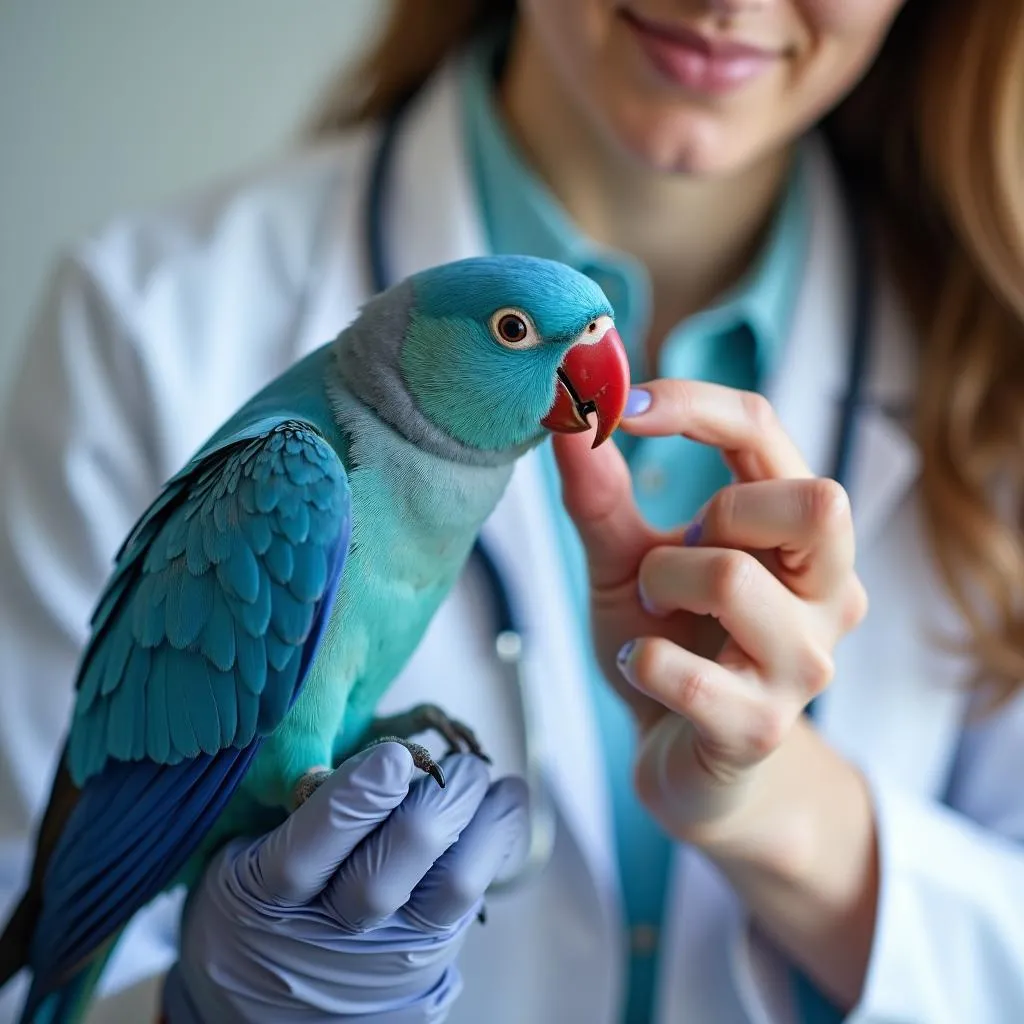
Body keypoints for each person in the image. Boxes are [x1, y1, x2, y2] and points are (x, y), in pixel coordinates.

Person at [1, 0, 1023, 1020]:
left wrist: (781, 810)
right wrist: (210, 1003)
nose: (729, 5)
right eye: (508, 329)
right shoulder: (169, 339)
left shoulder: (994, 356)